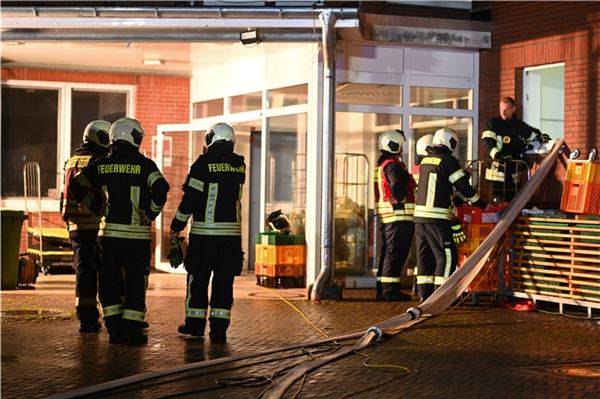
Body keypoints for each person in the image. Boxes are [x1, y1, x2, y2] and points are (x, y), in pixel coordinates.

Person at [69, 117, 170, 345]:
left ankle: (114, 329)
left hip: (108, 237)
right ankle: (133, 330)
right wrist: (151, 213)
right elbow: (162, 187)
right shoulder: (145, 165)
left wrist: (96, 206)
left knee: (108, 282)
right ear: (133, 138)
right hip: (136, 238)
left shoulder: (102, 164)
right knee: (135, 282)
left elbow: (76, 185)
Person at [170, 122, 246, 343]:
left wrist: (177, 226)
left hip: (204, 237)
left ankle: (194, 326)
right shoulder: (239, 165)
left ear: (210, 139)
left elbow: (190, 199)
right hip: (231, 239)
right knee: (224, 283)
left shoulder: (202, 164)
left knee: (198, 281)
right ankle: (219, 330)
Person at [414, 127, 487, 302]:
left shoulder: (427, 161)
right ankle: (442, 296)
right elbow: (463, 187)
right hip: (437, 218)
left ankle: (425, 296)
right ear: (450, 142)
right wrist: (480, 203)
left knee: (425, 257)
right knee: (447, 256)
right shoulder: (448, 161)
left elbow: (441, 185)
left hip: (420, 219)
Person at [60, 120, 110, 333]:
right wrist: (101, 209)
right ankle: (107, 317)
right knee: (102, 271)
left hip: (75, 225)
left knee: (83, 272)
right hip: (95, 224)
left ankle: (86, 317)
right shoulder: (97, 160)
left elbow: (66, 193)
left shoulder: (71, 161)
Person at [374, 129, 416, 301]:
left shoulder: (383, 164)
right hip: (398, 218)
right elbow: (396, 186)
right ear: (395, 144)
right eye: (401, 145)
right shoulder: (393, 165)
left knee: (388, 254)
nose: (402, 149)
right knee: (395, 254)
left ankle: (383, 289)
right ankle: (390, 291)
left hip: (389, 219)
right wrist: (400, 197)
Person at [481, 97, 545, 202]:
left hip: (513, 173)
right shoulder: (493, 124)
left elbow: (531, 134)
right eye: (501, 109)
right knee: (497, 203)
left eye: (506, 109)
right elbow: (487, 143)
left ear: (513, 109)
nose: (503, 112)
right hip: (497, 173)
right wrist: (498, 155)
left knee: (513, 202)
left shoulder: (519, 125)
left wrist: (540, 136)